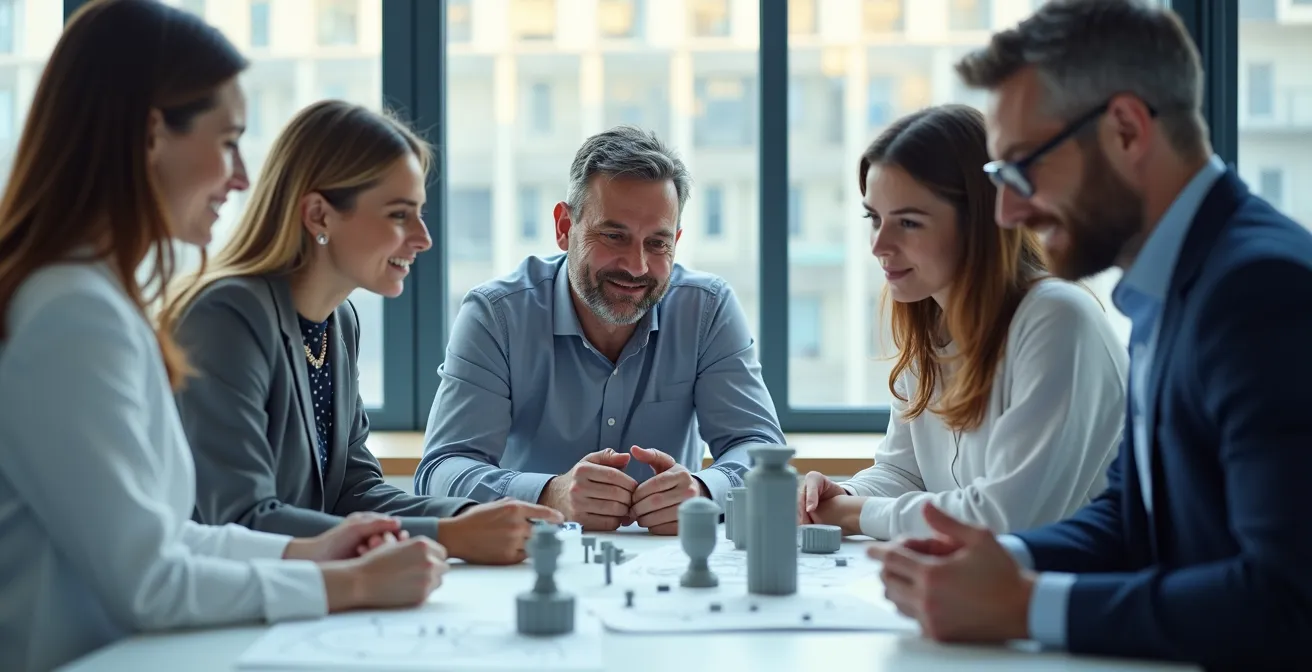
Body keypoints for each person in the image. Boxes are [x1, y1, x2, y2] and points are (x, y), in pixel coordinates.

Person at [0, 3, 448, 670]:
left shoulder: (99, 299)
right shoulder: (73, 314)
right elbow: (148, 580)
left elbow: (172, 537)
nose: (241, 177)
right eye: (228, 139)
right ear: (152, 134)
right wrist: (344, 584)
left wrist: (308, 551)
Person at [867, 1, 1312, 668]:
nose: (1009, 210)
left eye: (1025, 165)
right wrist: (997, 560)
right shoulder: (1170, 287)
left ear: (1127, 131)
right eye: (998, 177)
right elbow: (1135, 516)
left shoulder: (1258, 291)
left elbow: (1287, 602)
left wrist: (1025, 606)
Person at [161, 101, 564, 566]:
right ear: (319, 215)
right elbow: (242, 520)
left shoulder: (338, 322)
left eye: (419, 213)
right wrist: (450, 535)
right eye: (399, 215)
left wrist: (476, 517)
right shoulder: (225, 317)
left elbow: (353, 492)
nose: (423, 237)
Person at [415, 125, 786, 534]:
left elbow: (762, 451)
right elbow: (440, 471)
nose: (637, 266)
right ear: (564, 227)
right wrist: (548, 494)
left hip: (669, 565)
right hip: (532, 558)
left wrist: (702, 489)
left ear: (676, 241)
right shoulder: (496, 316)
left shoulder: (707, 309)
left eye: (658, 243)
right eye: (614, 236)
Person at [796, 104, 1127, 541]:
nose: (879, 245)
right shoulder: (932, 323)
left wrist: (856, 512)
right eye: (874, 219)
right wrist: (843, 494)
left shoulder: (1058, 321)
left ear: (981, 223)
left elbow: (1006, 518)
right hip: (986, 589)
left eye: (908, 222)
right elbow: (904, 473)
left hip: (1072, 596)